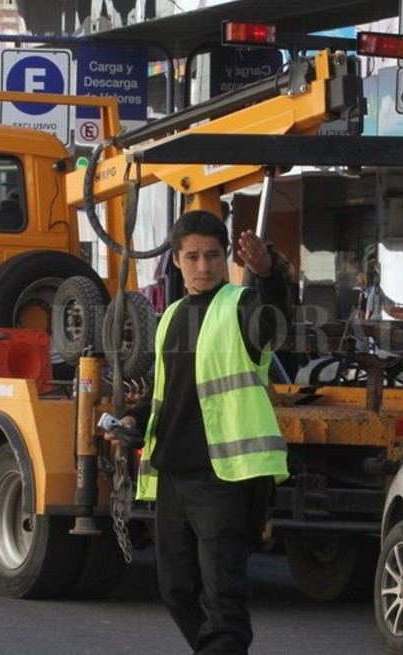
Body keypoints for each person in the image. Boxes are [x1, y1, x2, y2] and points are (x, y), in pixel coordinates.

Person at [112, 210, 290, 655]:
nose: (203, 266)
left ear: (227, 256)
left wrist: (268, 276)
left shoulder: (242, 304)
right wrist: (133, 418)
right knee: (176, 590)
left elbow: (276, 321)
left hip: (226, 477)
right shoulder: (171, 315)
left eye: (212, 255)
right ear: (176, 260)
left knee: (222, 596)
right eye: (193, 256)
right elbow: (164, 387)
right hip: (173, 475)